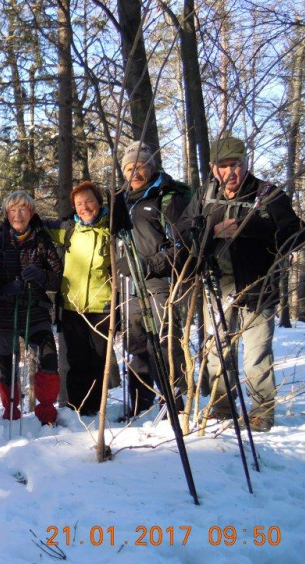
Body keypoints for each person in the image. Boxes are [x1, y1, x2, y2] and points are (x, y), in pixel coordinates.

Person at [178, 136, 305, 432]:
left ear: (246, 163)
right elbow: (183, 232)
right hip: (217, 285)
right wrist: (212, 230)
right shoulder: (205, 195)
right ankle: (221, 406)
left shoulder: (267, 194)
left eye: (235, 164)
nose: (230, 172)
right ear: (213, 168)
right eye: (223, 166)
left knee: (256, 356)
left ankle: (262, 412)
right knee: (216, 351)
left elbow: (297, 234)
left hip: (258, 287)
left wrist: (252, 227)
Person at [112, 141, 191, 416]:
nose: (135, 173)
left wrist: (146, 266)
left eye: (140, 166)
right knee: (135, 346)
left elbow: (181, 246)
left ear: (151, 167)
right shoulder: (121, 201)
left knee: (165, 341)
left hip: (158, 282)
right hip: (128, 285)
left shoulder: (166, 197)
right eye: (129, 168)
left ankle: (175, 402)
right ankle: (140, 404)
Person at [0, 190, 62, 425]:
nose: (18, 215)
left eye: (23, 209)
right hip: (2, 314)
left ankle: (46, 412)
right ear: (7, 214)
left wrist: (41, 276)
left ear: (32, 212)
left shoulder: (42, 240)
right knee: (7, 366)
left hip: (35, 311)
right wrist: (4, 289)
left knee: (49, 357)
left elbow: (57, 279)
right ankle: (11, 413)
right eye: (13, 210)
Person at [46, 182, 112, 416]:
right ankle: (78, 410)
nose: (85, 207)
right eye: (79, 203)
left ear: (99, 202)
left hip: (102, 307)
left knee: (99, 361)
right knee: (76, 360)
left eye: (89, 201)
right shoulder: (69, 229)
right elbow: (38, 226)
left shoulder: (111, 229)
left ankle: (98, 410)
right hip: (72, 307)